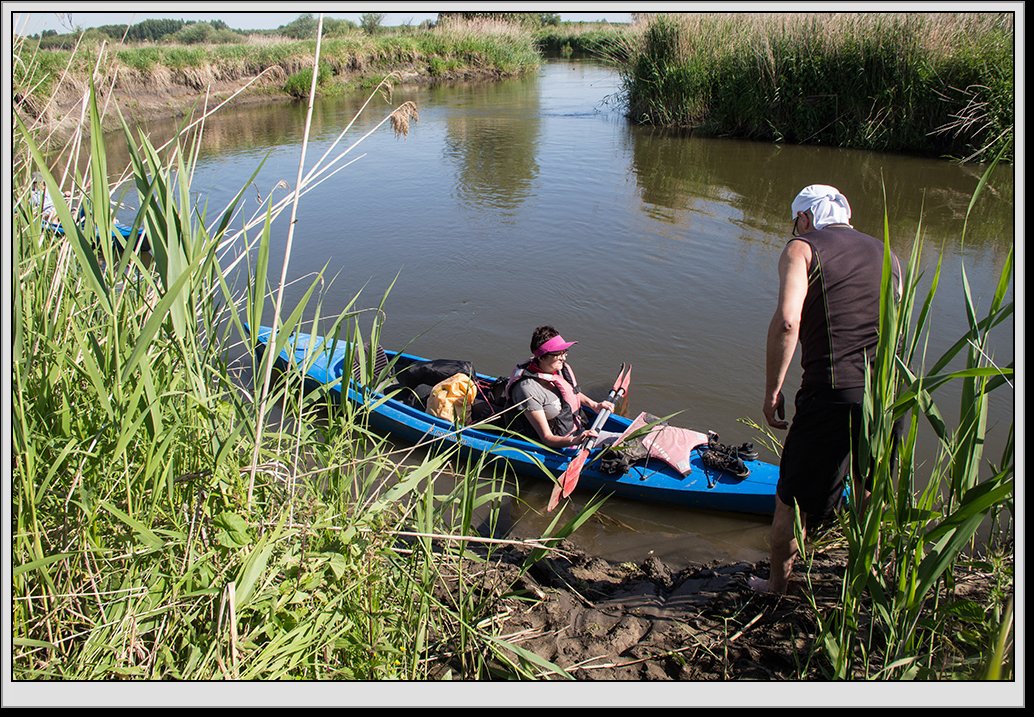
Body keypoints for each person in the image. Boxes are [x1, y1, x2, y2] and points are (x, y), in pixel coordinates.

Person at [750, 184, 902, 594]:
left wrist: (773, 391)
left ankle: (777, 585)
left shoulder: (802, 248)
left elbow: (787, 321)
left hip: (833, 391)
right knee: (871, 486)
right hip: (890, 391)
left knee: (790, 497)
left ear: (804, 218)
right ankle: (863, 576)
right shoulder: (888, 253)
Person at [505, 325, 616, 449]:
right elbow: (547, 439)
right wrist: (575, 440)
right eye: (558, 353)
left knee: (635, 440)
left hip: (577, 430)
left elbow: (572, 393)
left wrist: (594, 405)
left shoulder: (557, 368)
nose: (563, 357)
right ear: (541, 357)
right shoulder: (528, 390)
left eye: (564, 352)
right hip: (561, 445)